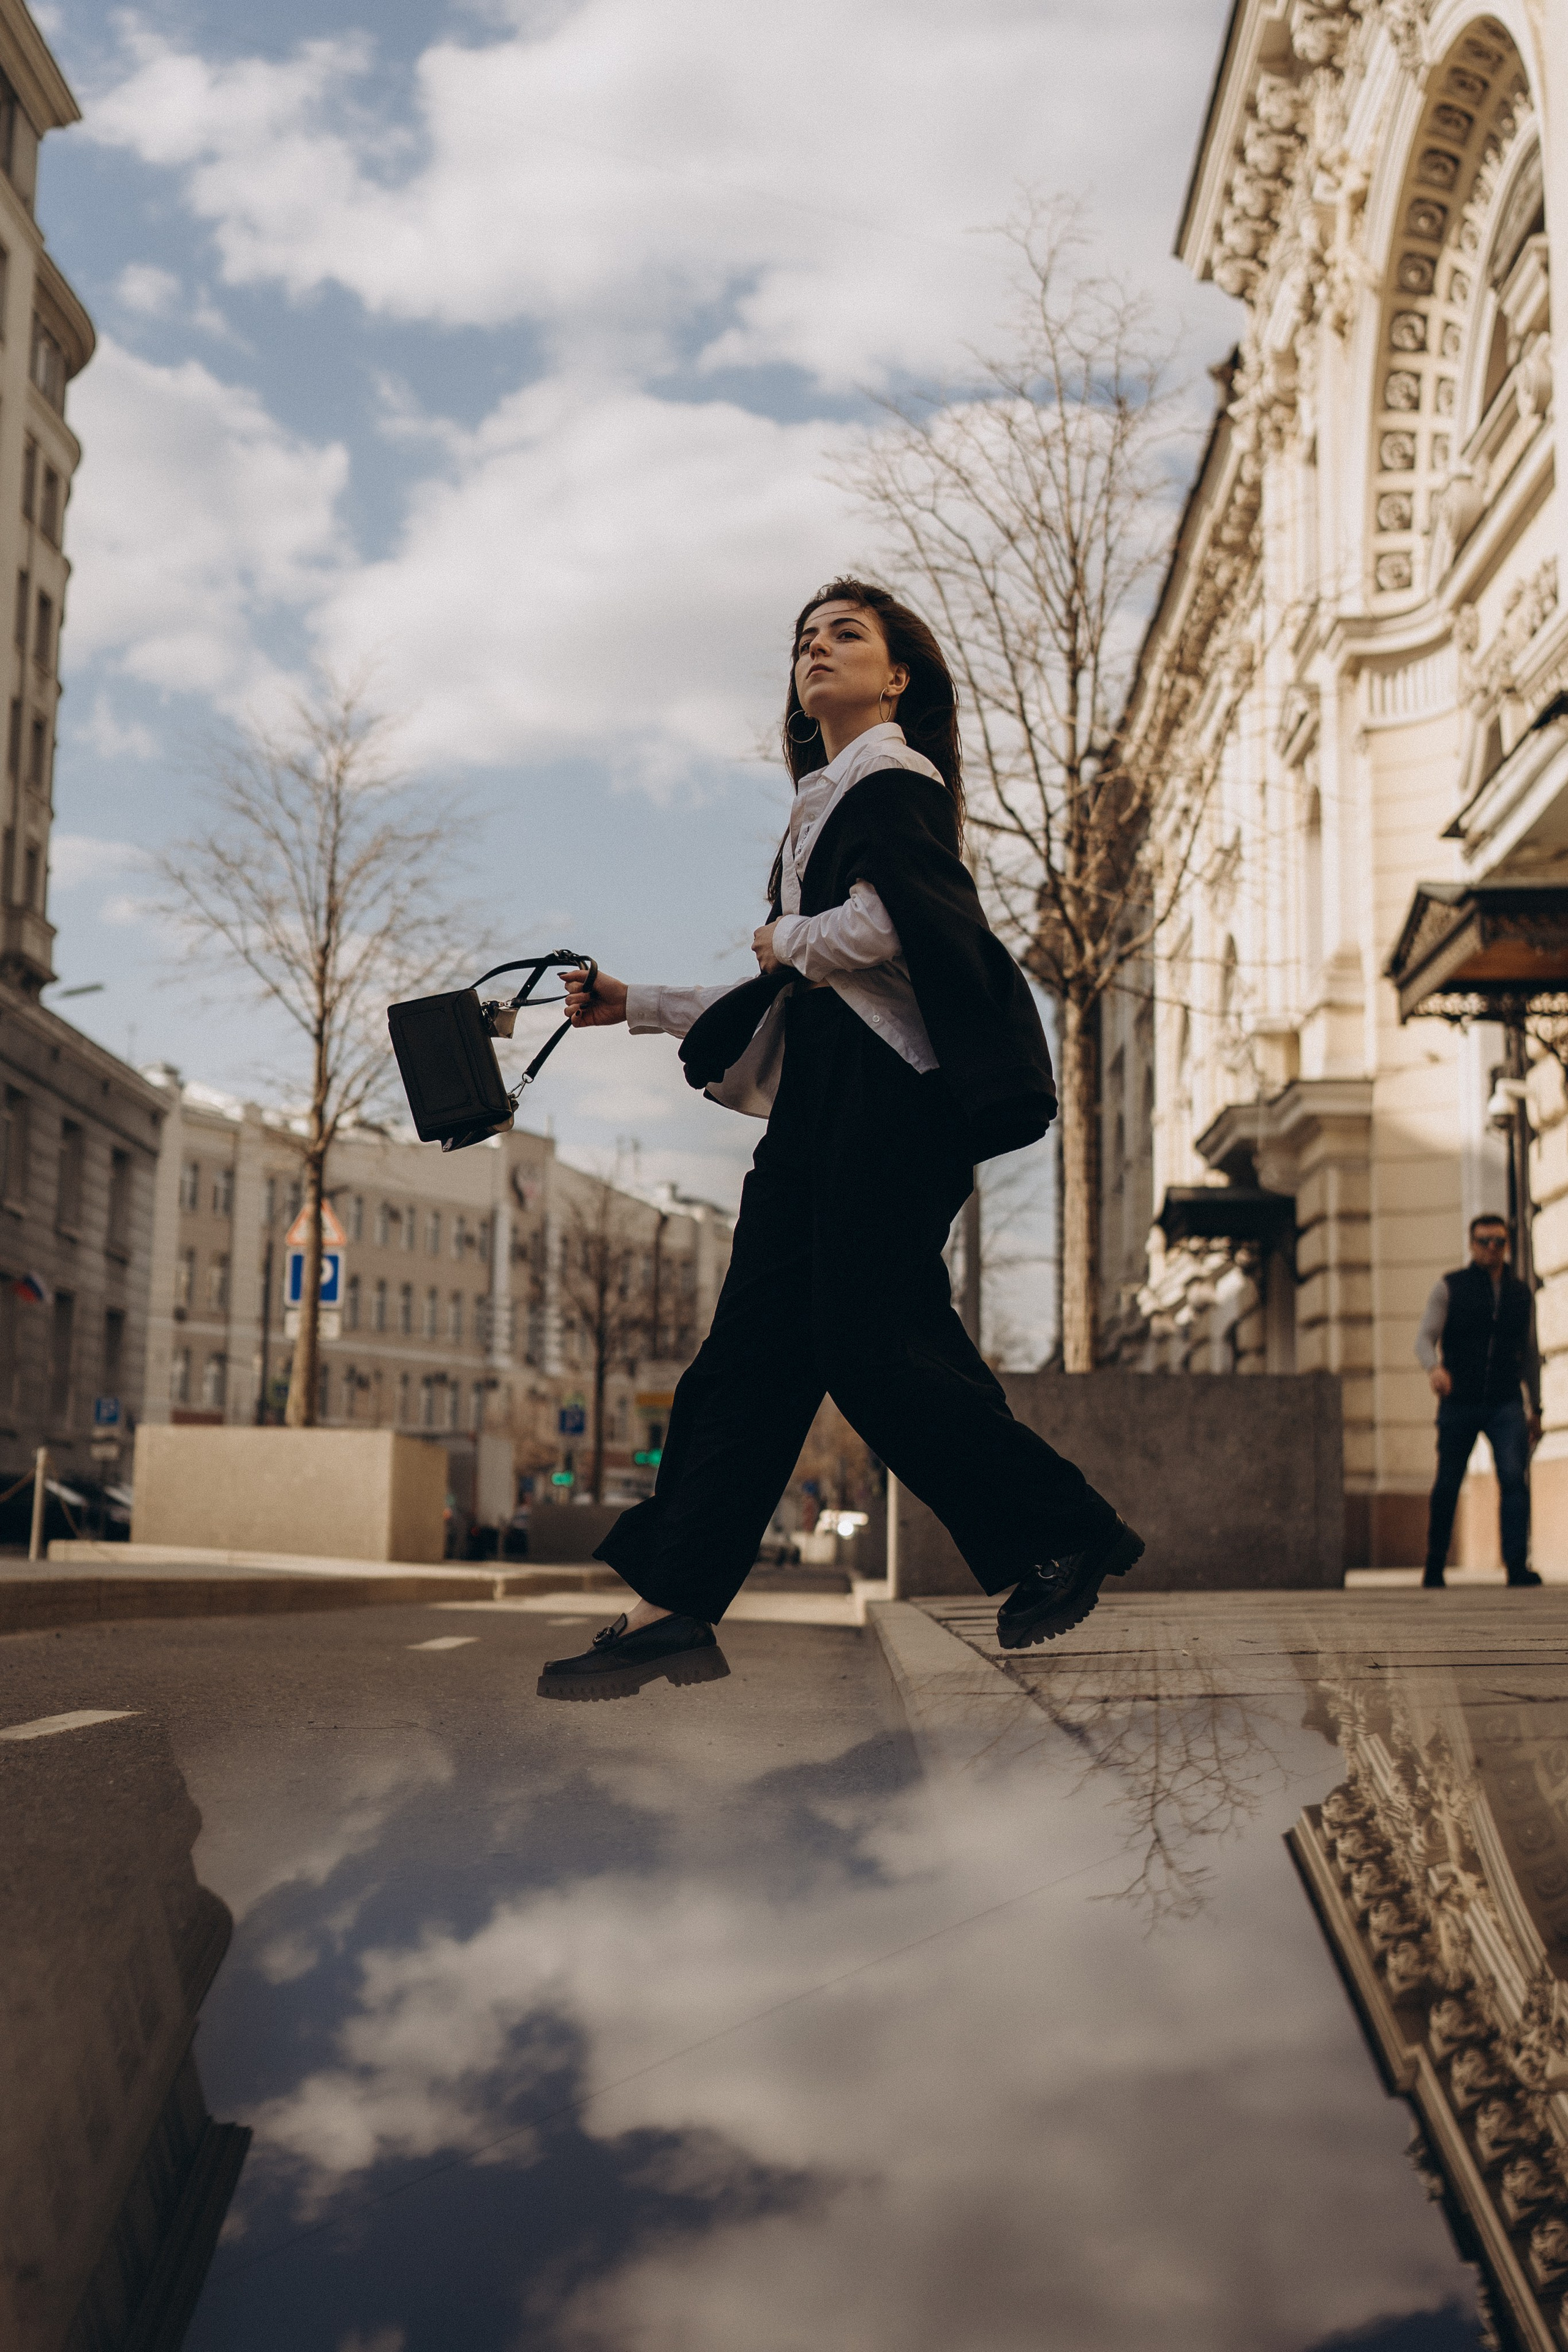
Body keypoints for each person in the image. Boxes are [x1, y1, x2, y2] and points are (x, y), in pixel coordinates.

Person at [537, 576, 1142, 1702]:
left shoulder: (893, 773)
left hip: (888, 1106)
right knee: (750, 1355)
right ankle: (675, 1602)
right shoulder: (821, 801)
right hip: (827, 1106)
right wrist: (640, 1002)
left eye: (845, 636)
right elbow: (802, 978)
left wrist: (785, 938)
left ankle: (1065, 1534)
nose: (817, 650)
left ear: (896, 675)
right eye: (806, 640)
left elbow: (879, 927)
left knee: (871, 1344)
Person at [1416, 1212, 1542, 1589]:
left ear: (1507, 1245)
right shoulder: (1450, 1287)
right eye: (1485, 1241)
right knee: (1448, 1482)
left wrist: (1535, 1406)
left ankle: (1517, 1566)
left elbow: (1531, 1353)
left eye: (1499, 1242)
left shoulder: (1521, 1293)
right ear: (1472, 1245)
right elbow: (1424, 1338)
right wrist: (1434, 1369)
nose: (1492, 1249)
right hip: (1460, 1401)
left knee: (1513, 1480)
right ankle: (1435, 1564)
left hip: (1505, 1402)